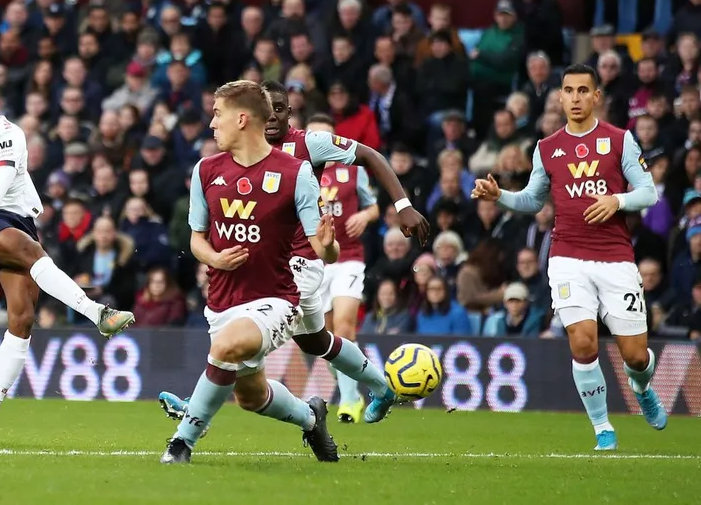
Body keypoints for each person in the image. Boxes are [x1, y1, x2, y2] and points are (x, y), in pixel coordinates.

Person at [159, 80, 430, 428]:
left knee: (243, 338)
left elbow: (370, 155)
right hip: (264, 260)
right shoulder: (230, 158)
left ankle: (198, 403)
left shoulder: (308, 144)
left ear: (289, 113)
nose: (272, 117)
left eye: (280, 109)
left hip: (300, 262)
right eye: (267, 110)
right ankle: (381, 387)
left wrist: (403, 205)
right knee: (316, 340)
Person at [0, 61, 135, 444]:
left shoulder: (8, 135)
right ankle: (97, 313)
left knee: (23, 317)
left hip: (11, 216)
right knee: (27, 252)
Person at [471, 64, 667, 451]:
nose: (575, 98)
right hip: (568, 257)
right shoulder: (547, 148)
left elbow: (649, 193)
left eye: (583, 91)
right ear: (559, 97)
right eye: (568, 91)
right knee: (582, 344)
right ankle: (602, 428)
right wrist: (501, 197)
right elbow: (532, 199)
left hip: (615, 257)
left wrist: (617, 199)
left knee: (636, 356)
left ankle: (642, 387)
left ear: (596, 97)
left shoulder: (619, 140)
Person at [161, 80, 338, 465]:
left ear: (242, 119)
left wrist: (328, 244)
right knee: (250, 397)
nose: (212, 124)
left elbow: (326, 249)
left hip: (275, 297)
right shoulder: (206, 170)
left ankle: (181, 442)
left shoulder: (296, 173)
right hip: (222, 300)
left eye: (217, 114)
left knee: (225, 348)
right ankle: (312, 418)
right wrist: (216, 259)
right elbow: (197, 240)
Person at [305, 114, 380, 422]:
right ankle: (351, 391)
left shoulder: (351, 170)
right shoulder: (298, 171)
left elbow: (373, 205)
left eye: (326, 137)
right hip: (314, 259)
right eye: (315, 137)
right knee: (325, 337)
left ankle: (349, 400)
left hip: (348, 255)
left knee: (346, 326)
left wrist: (366, 216)